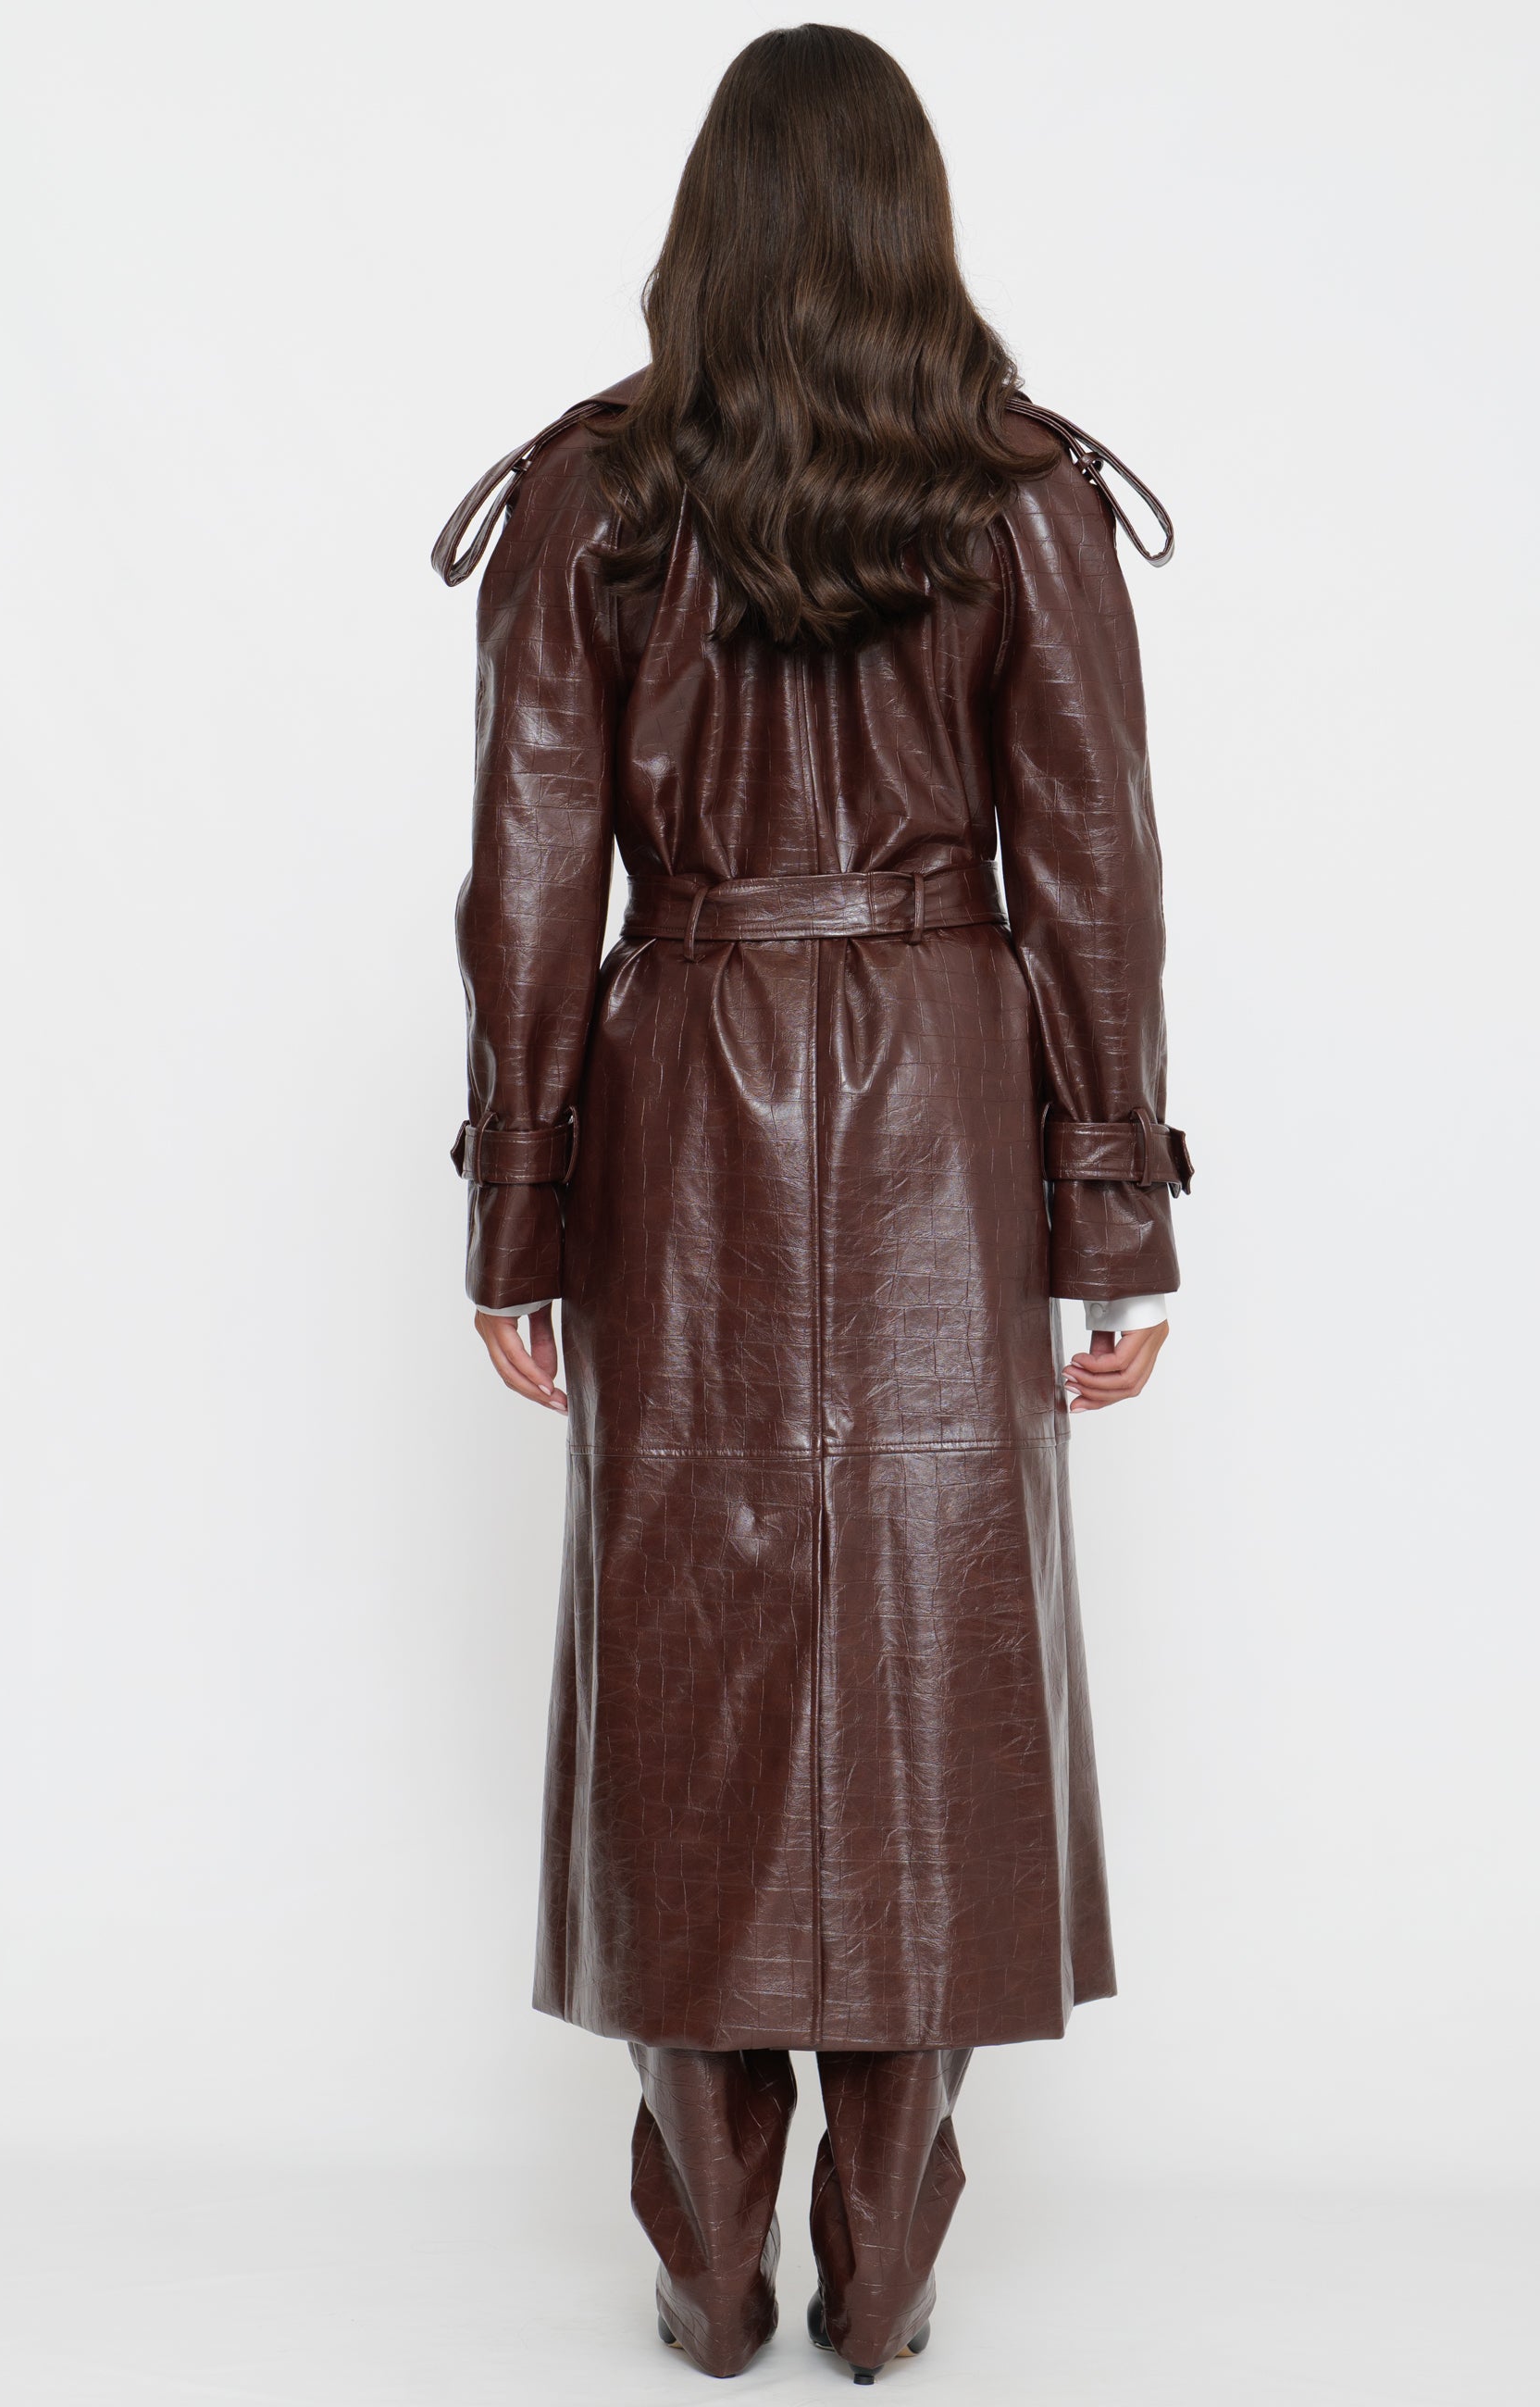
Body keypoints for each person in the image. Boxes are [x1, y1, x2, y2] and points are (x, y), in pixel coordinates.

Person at [433, 23, 1191, 2386]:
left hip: (684, 1101)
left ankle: (707, 2260)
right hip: (950, 1112)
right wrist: (1111, 1208)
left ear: (710, 231)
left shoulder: (594, 496)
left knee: (688, 1673)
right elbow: (1092, 869)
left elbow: (533, 875)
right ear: (907, 227)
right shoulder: (1020, 495)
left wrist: (523, 1205)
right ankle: (885, 2256)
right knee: (930, 1667)